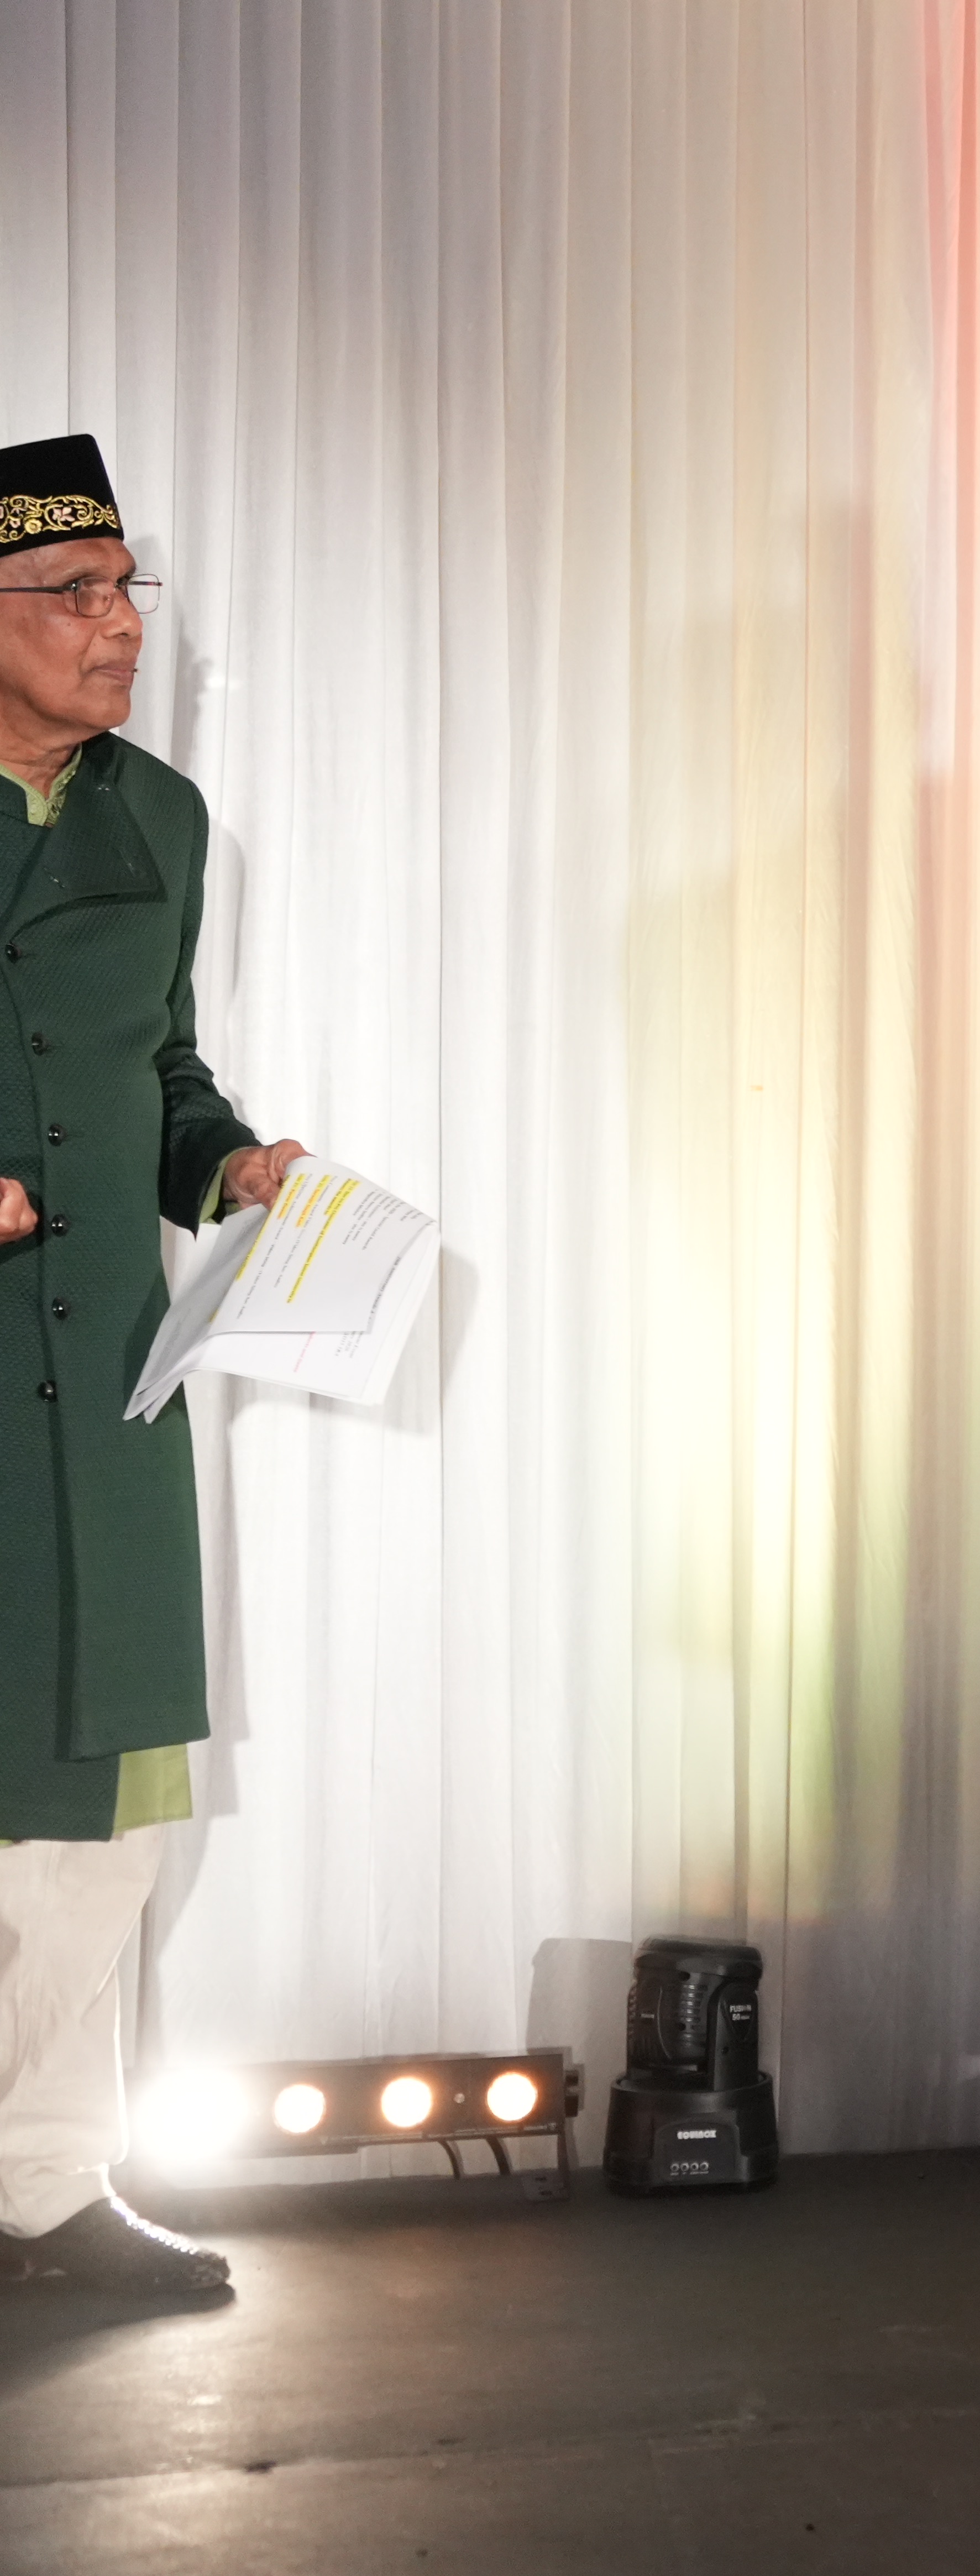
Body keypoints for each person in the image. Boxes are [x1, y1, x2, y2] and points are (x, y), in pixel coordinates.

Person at [0, 436, 309, 2295]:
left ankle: (44, 2187)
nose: (120, 627)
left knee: (102, 1806)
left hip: (109, 1371)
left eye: (129, 591)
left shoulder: (167, 820)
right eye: (73, 594)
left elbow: (166, 1069)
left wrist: (232, 1165)